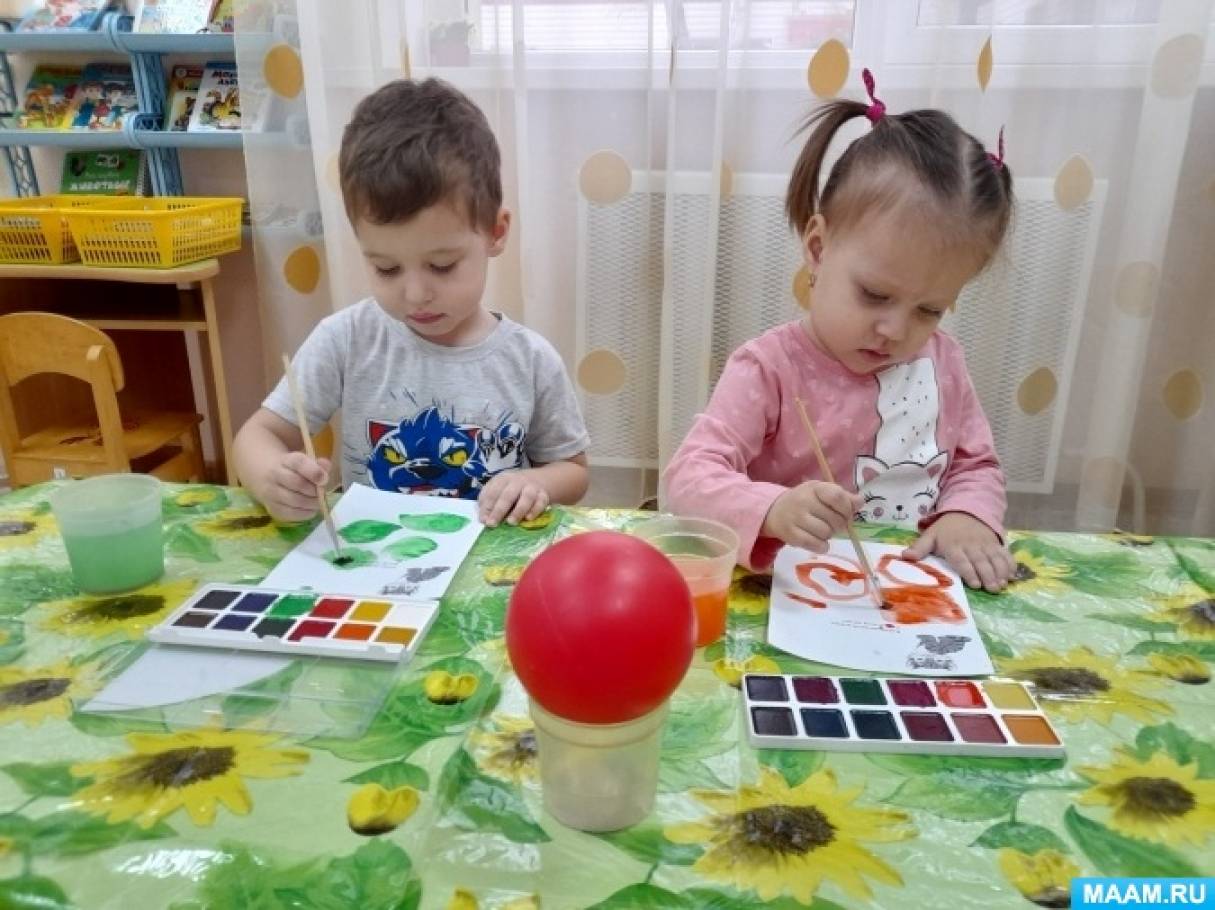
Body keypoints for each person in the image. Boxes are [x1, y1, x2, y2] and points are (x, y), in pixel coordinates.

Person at [664, 70, 1016, 592]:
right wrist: (773, 508)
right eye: (875, 294)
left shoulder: (943, 362)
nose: (895, 330)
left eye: (930, 310)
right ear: (817, 249)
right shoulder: (768, 368)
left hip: (911, 595)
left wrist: (968, 514)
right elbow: (687, 479)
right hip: (795, 595)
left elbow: (975, 465)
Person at [234, 78, 590, 527]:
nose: (416, 294)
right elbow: (258, 435)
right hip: (374, 555)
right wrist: (270, 477)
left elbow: (573, 471)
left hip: (491, 559)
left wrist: (536, 482)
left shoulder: (530, 359)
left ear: (495, 232)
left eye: (442, 266)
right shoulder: (346, 340)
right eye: (386, 268)